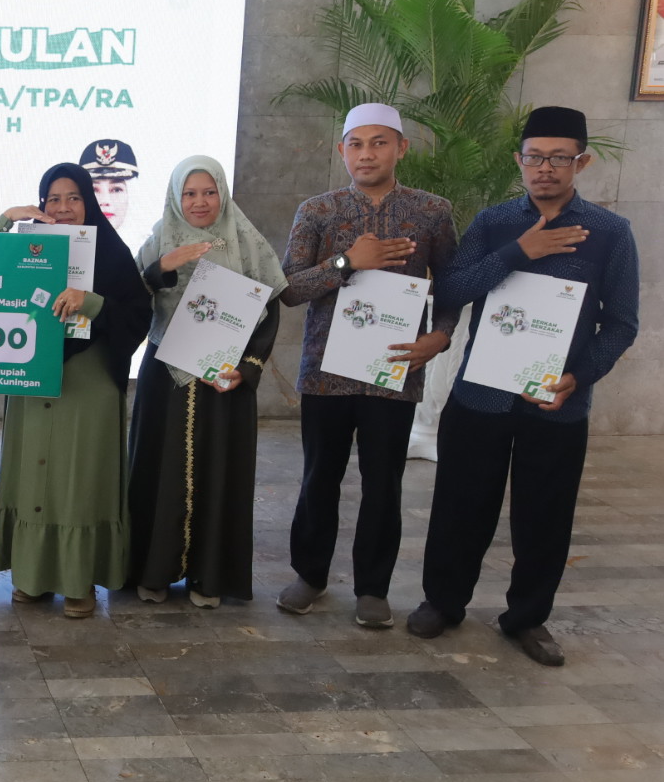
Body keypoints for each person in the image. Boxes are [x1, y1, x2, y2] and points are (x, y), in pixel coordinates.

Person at [407, 106, 639, 666]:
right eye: (535, 157)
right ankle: (443, 601)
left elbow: (623, 323)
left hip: (555, 403)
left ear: (581, 161)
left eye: (560, 158)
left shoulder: (610, 233)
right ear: (520, 160)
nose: (546, 168)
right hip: (480, 394)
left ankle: (528, 618)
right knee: (461, 504)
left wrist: (576, 378)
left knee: (545, 516)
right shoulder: (494, 223)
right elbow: (452, 291)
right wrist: (518, 253)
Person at [274, 103, 460, 629]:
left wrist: (439, 337)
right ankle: (309, 575)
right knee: (319, 478)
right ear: (342, 151)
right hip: (325, 372)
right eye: (356, 144)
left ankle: (373, 588)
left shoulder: (431, 212)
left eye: (379, 142)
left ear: (401, 148)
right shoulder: (318, 210)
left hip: (393, 370)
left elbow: (451, 287)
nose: (366, 153)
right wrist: (346, 262)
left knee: (384, 482)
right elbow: (289, 289)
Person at [0, 164, 153, 617]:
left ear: (88, 203)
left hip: (89, 382)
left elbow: (139, 316)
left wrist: (91, 301)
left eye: (73, 198)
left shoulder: (112, 253)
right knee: (33, 474)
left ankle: (79, 582)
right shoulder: (23, 246)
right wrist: (6, 221)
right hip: (29, 374)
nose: (62, 208)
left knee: (78, 481)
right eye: (53, 199)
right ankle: (32, 576)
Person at [128, 156, 285, 608]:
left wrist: (250, 366)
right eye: (190, 193)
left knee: (220, 470)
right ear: (176, 197)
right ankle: (153, 571)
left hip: (225, 377)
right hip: (166, 376)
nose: (200, 202)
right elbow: (132, 298)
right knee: (160, 468)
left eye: (209, 192)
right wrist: (162, 268)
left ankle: (207, 576)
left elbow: (270, 305)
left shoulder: (244, 240)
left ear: (223, 194)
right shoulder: (159, 237)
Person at [79, 139, 139, 230]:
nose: (105, 201)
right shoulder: (60, 241)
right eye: (94, 190)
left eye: (116, 190)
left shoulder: (155, 243)